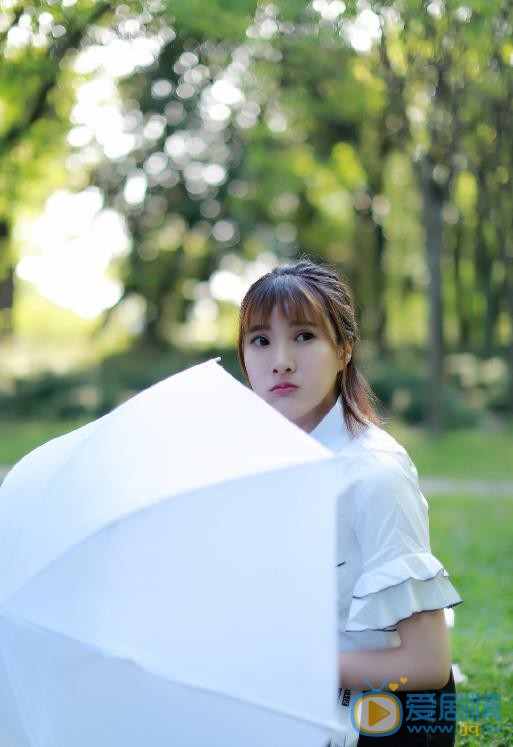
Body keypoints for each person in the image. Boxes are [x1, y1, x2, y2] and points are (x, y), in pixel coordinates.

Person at [237, 258, 462, 746]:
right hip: (304, 688)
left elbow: (426, 664)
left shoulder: (373, 473)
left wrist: (290, 668)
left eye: (303, 336)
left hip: (386, 716)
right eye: (260, 340)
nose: (280, 360)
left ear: (343, 351)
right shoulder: (253, 465)